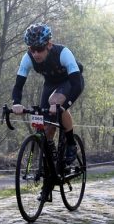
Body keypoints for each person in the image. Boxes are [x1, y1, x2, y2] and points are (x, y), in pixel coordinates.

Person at [12, 23, 84, 164]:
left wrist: (63, 106)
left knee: (55, 101)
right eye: (32, 49)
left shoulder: (63, 53)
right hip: (51, 84)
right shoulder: (28, 58)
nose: (36, 54)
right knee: (45, 128)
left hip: (71, 81)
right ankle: (51, 167)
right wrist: (16, 103)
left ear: (49, 45)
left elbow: (76, 85)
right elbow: (18, 85)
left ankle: (70, 144)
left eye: (39, 49)